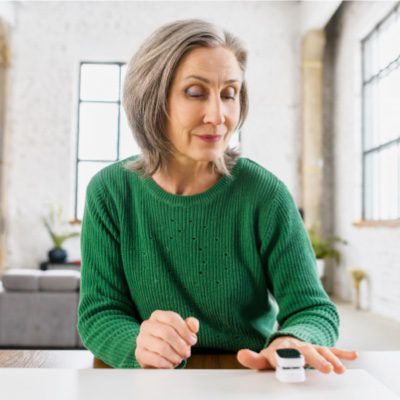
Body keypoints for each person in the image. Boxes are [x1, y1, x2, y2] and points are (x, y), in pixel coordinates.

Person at [77, 18, 358, 371]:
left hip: (247, 377)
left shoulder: (264, 194)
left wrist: (292, 340)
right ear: (152, 98)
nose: (218, 115)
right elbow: (99, 313)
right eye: (195, 93)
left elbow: (313, 309)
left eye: (229, 94)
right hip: (151, 383)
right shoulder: (110, 192)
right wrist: (137, 346)